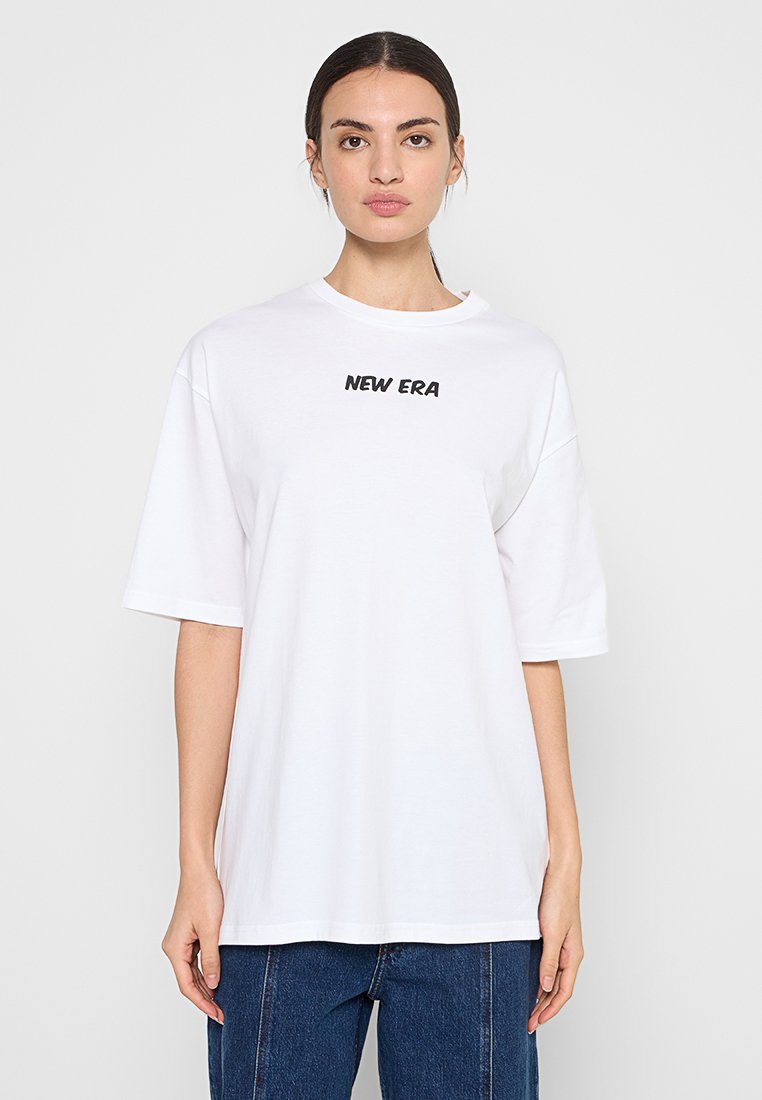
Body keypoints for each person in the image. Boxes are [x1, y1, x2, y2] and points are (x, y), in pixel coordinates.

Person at [121, 30, 609, 1100]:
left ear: (457, 155)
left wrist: (564, 860)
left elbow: (537, 640)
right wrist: (197, 860)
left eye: (415, 138)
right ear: (315, 160)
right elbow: (210, 624)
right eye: (354, 140)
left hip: (477, 892)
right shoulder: (232, 359)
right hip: (278, 891)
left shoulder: (522, 369)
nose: (386, 167)